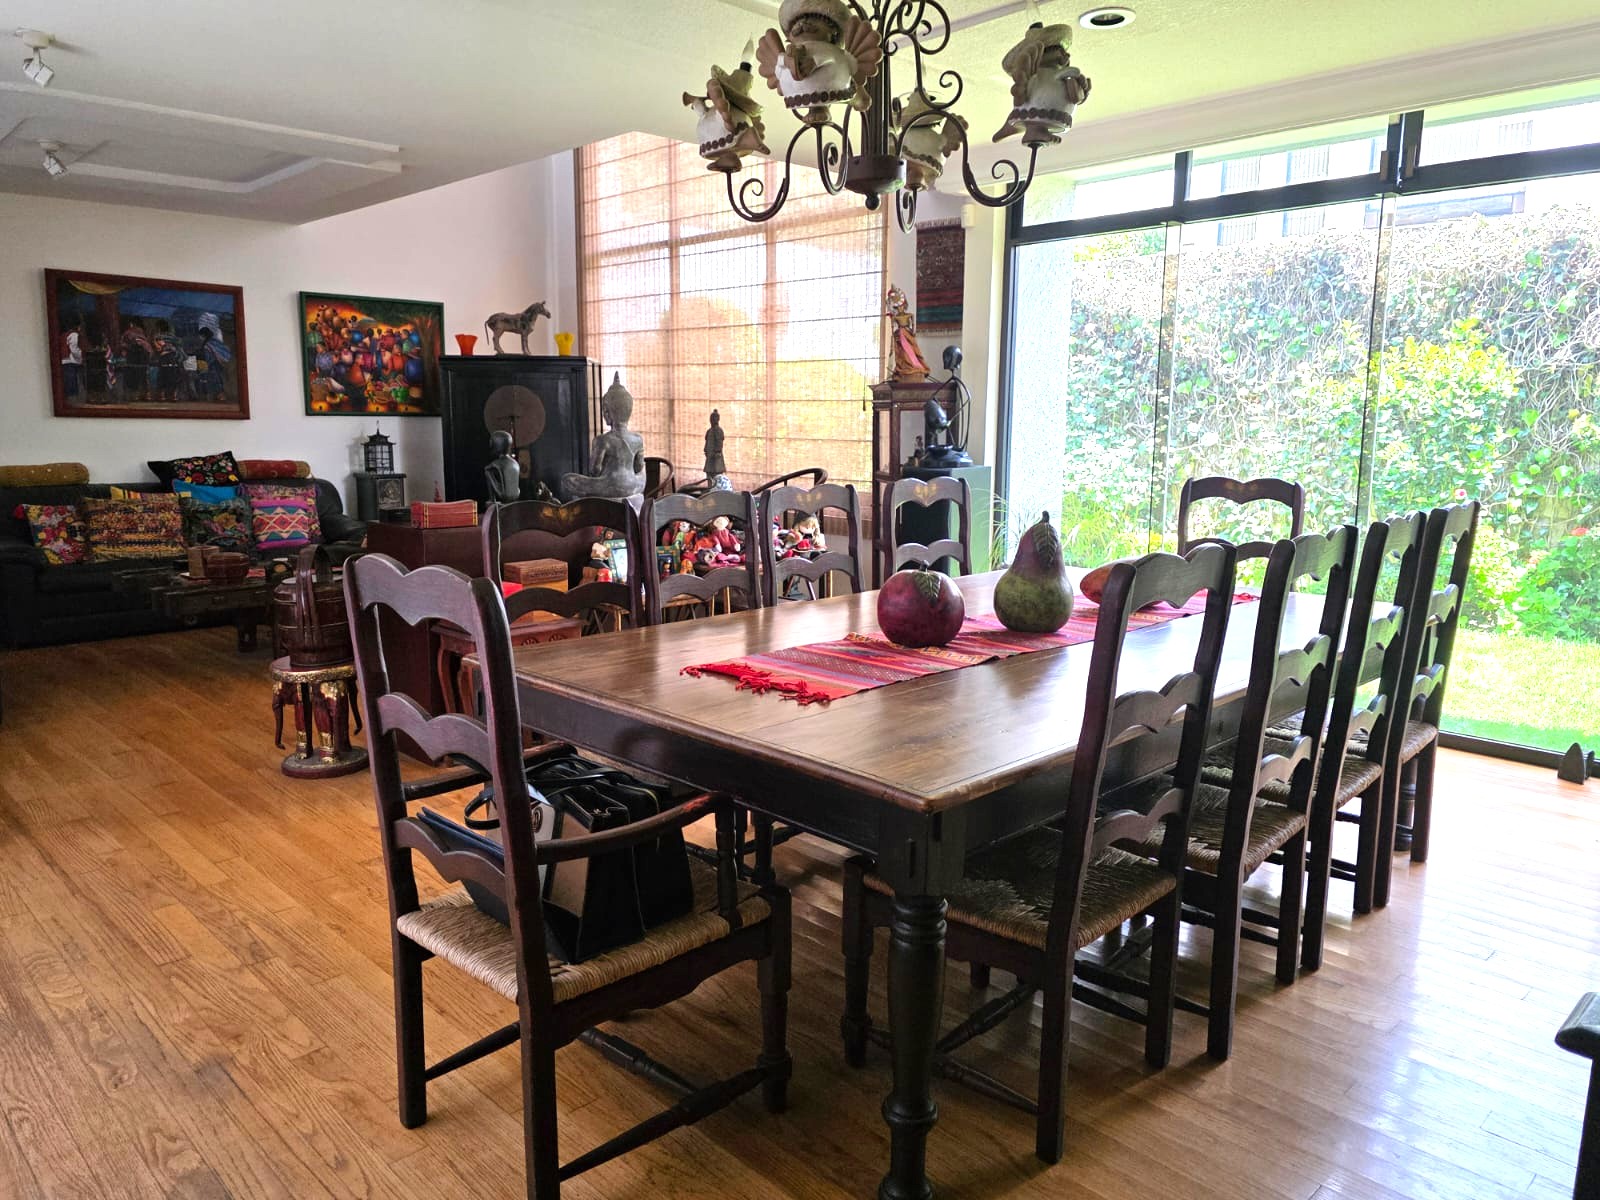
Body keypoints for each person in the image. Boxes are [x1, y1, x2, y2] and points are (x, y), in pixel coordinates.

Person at [560, 373, 646, 501]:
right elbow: (638, 467)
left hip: (608, 486)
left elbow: (595, 470)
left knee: (567, 479)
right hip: (632, 485)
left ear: (606, 411)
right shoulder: (637, 439)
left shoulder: (602, 440)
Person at [59, 316, 83, 400]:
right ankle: (73, 399)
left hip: (64, 360)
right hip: (71, 361)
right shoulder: (74, 335)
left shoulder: (64, 335)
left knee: (68, 380)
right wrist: (80, 358)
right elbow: (74, 349)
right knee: (72, 381)